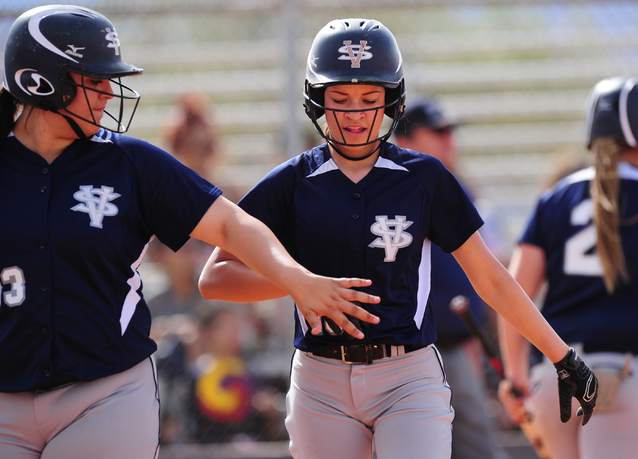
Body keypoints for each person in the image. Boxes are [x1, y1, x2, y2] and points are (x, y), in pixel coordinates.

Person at [198, 18, 598, 459]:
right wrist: (301, 282)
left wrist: (563, 358)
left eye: (370, 99)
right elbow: (214, 277)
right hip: (319, 377)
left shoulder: (424, 178)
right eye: (340, 99)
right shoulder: (292, 181)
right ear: (317, 101)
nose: (355, 114)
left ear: (392, 101)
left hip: (408, 374)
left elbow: (492, 278)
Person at [0, 6, 381, 459]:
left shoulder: (131, 163)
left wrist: (296, 279)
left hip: (104, 394)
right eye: (94, 80)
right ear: (42, 82)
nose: (108, 93)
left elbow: (231, 223)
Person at [497, 76, 638, 459]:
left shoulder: (555, 198)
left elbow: (513, 293)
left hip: (556, 378)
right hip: (626, 380)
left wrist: (516, 378)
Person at [394, 98, 510, 459]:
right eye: (439, 131)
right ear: (405, 139)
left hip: (456, 346)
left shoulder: (458, 188)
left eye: (451, 132)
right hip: (400, 351)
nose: (449, 140)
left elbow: (490, 273)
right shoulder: (391, 188)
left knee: (476, 447)